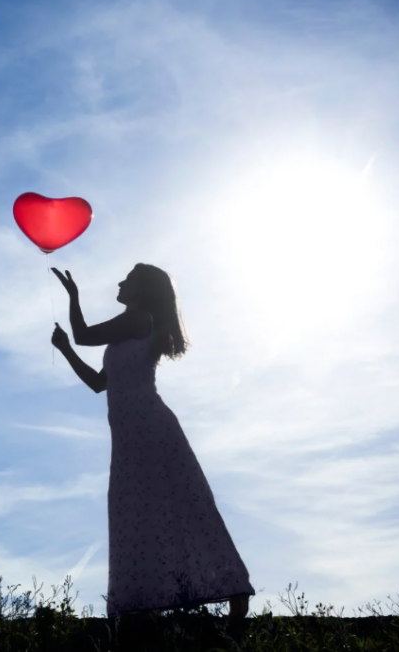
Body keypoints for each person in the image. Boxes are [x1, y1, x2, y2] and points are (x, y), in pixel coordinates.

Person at [50, 264, 254, 626]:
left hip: (149, 427)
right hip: (130, 434)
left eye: (128, 279)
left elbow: (83, 334)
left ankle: (233, 593)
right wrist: (65, 349)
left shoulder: (137, 319)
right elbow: (99, 383)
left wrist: (74, 296)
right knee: (140, 514)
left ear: (142, 290)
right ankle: (147, 604)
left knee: (181, 507)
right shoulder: (129, 328)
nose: (119, 282)